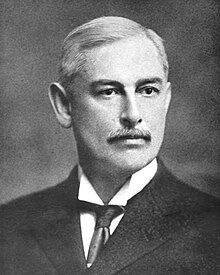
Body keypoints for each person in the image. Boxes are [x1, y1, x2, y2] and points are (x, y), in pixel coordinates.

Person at [0, 16, 219, 275]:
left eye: (147, 90)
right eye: (109, 92)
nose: (132, 114)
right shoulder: (9, 225)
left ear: (166, 100)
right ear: (64, 106)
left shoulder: (212, 227)